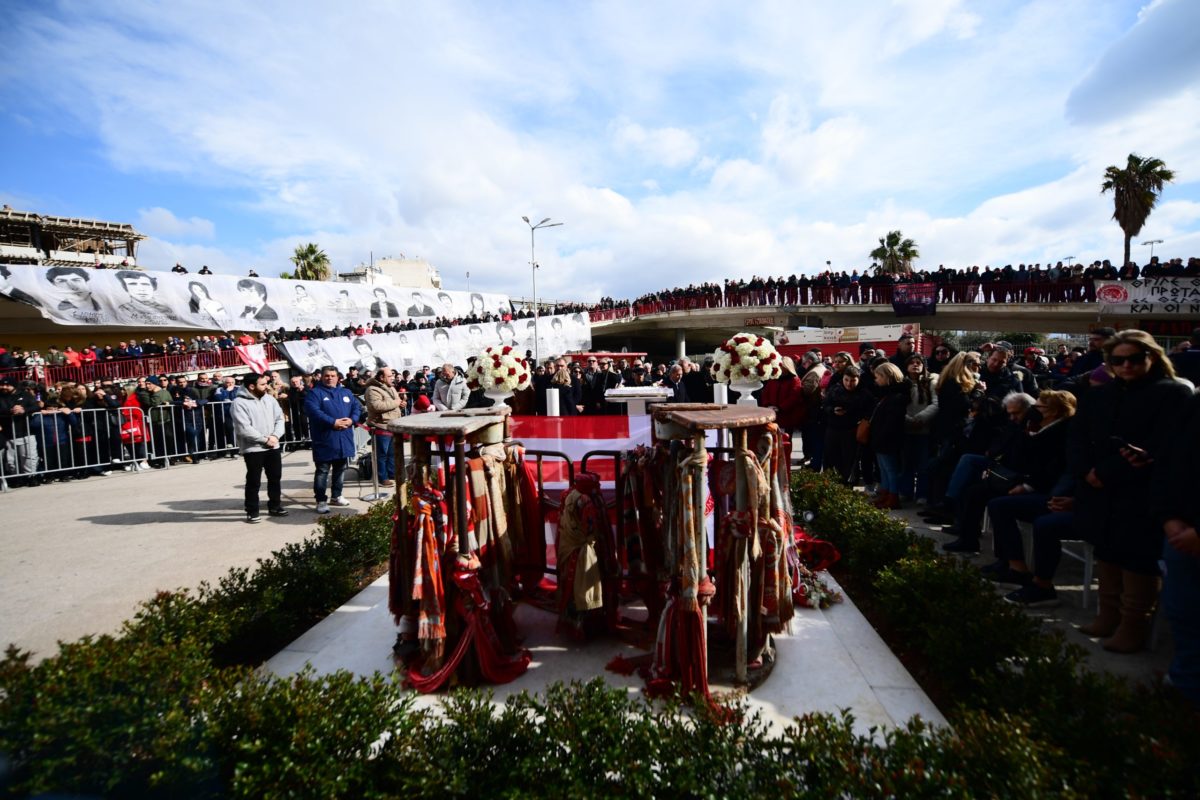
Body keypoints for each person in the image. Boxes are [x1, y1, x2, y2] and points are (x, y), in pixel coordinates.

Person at [1067, 330, 1192, 654]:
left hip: (1140, 489)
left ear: (1152, 357)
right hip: (1097, 489)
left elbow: (1164, 444)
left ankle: (1132, 625)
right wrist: (1085, 471)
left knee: (1136, 557)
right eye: (1118, 360)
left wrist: (1106, 472)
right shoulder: (1099, 395)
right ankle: (1107, 616)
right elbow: (1078, 436)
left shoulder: (1173, 394)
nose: (1126, 366)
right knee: (1106, 551)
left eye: (1134, 359)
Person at [1157, 393, 1200, 708]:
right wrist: (1169, 516)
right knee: (1182, 611)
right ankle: (1185, 686)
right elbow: (1171, 464)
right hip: (1179, 528)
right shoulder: (1192, 407)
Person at [304, 366, 362, 514]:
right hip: (325, 439)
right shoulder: (314, 393)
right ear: (321, 377)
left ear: (338, 377)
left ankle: (336, 495)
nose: (330, 378)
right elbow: (314, 412)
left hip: (344, 438)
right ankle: (321, 500)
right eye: (327, 376)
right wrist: (333, 422)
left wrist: (352, 420)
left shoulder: (346, 392)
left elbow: (357, 408)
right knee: (323, 471)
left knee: (340, 469)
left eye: (333, 375)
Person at [232, 372, 287, 523]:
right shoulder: (239, 403)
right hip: (253, 449)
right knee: (254, 481)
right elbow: (243, 428)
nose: (267, 387)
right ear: (251, 386)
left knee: (275, 478)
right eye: (262, 384)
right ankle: (252, 510)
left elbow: (280, 419)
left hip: (273, 446)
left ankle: (275, 506)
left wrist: (275, 436)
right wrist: (264, 440)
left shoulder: (269, 399)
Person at [821, 365, 874, 484]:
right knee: (831, 459)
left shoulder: (864, 393)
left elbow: (870, 410)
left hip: (852, 430)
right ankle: (830, 484)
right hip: (833, 429)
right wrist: (833, 410)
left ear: (858, 379)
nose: (849, 383)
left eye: (853, 380)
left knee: (849, 461)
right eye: (846, 380)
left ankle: (847, 486)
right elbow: (825, 405)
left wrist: (861, 418)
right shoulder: (835, 389)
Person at [868, 363, 910, 509]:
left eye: (878, 376)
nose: (876, 380)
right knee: (884, 469)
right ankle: (885, 494)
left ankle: (893, 497)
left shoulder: (897, 396)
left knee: (891, 470)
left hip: (888, 439)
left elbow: (893, 421)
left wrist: (881, 436)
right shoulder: (887, 394)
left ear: (887, 376)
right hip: (880, 438)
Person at [365, 366, 403, 487]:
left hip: (392, 424)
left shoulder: (390, 388)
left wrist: (401, 404)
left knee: (391, 453)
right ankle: (382, 477)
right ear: (381, 377)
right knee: (381, 455)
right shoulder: (372, 389)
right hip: (380, 426)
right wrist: (397, 403)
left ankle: (391, 474)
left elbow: (395, 401)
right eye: (389, 376)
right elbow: (376, 406)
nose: (392, 378)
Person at [115, 270, 179, 324]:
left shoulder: (166, 309)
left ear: (153, 287)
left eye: (145, 284)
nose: (141, 289)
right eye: (133, 284)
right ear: (126, 288)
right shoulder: (124, 310)